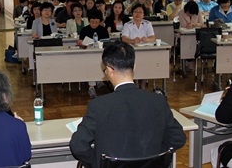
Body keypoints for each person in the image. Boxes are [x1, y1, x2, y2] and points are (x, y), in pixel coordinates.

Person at [69, 40, 186, 168]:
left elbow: (78, 146)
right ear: (134, 66)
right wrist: (154, 155)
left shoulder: (99, 105)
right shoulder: (158, 101)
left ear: (109, 70)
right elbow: (178, 138)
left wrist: (99, 163)